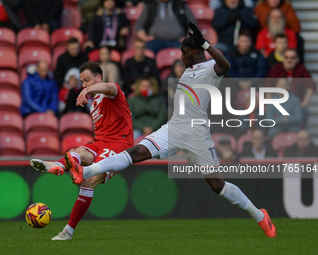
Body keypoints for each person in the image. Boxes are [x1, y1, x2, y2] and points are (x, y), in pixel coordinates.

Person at [67, 22, 277, 238]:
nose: (181, 56)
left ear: (196, 51)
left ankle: (260, 216)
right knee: (135, 152)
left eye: (185, 52)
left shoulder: (210, 69)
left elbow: (226, 65)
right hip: (174, 128)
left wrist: (205, 43)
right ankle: (87, 171)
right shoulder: (188, 71)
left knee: (218, 186)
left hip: (197, 134)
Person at [30, 61, 134, 240]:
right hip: (100, 142)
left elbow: (108, 87)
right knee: (76, 152)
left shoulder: (113, 90)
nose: (84, 84)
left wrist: (87, 91)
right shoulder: (93, 104)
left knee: (88, 183)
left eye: (87, 80)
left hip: (120, 145)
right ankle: (58, 166)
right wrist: (88, 92)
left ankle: (67, 232)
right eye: (82, 82)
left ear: (98, 77)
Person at [267, 49, 316, 128]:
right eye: (287, 57)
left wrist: (304, 103)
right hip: (278, 103)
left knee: (304, 110)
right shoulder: (276, 69)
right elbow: (268, 86)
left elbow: (312, 86)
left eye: (292, 58)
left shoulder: (301, 69)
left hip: (295, 105)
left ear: (297, 59)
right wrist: (268, 103)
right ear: (283, 58)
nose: (289, 60)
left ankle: (302, 135)